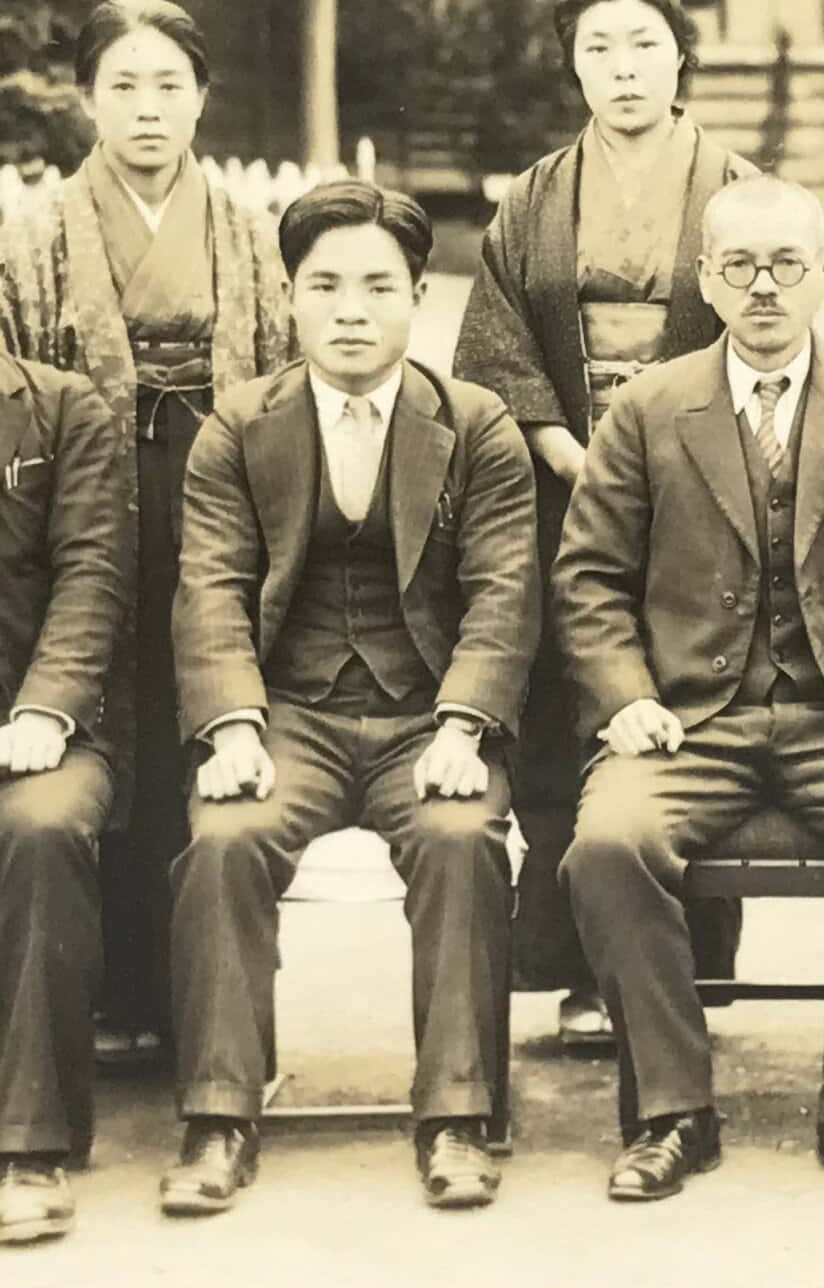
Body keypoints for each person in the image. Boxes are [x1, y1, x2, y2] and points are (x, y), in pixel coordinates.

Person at [555, 175, 824, 1204]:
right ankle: (671, 1111)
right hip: (687, 723)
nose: (765, 288)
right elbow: (589, 578)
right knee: (607, 846)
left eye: (788, 263)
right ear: (706, 279)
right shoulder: (647, 408)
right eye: (739, 266)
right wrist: (626, 696)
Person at [159, 182, 538, 1216]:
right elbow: (211, 586)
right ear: (291, 297)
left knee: (460, 836)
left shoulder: (476, 425)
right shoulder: (240, 424)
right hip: (289, 715)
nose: (351, 310)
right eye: (324, 286)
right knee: (226, 838)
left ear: (420, 294)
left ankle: (456, 1114)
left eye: (378, 285)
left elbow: (505, 591)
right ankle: (220, 1114)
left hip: (428, 714)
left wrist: (465, 725)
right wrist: (233, 726)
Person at [454, 0, 749, 1048]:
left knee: (692, 703)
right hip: (560, 480)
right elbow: (496, 345)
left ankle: (686, 971)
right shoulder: (534, 198)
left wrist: (658, 454)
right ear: (573, 67)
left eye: (643, 45)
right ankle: (580, 968)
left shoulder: (737, 188)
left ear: (681, 54)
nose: (623, 69)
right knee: (563, 711)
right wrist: (561, 446)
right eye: (598, 49)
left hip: (705, 486)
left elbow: (769, 327)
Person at [0, 0, 293, 1064]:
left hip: (217, 488)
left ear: (203, 97)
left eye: (170, 84)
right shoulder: (34, 235)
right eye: (122, 85)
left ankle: (195, 1003)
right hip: (84, 495)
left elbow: (283, 375)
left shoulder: (250, 233)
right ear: (87, 99)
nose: (148, 107)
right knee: (104, 720)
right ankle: (107, 989)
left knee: (200, 712)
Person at [0, 353, 127, 1245]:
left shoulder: (62, 409)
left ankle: (30, 1145)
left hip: (49, 723)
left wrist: (45, 708)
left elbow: (93, 575)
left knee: (41, 826)